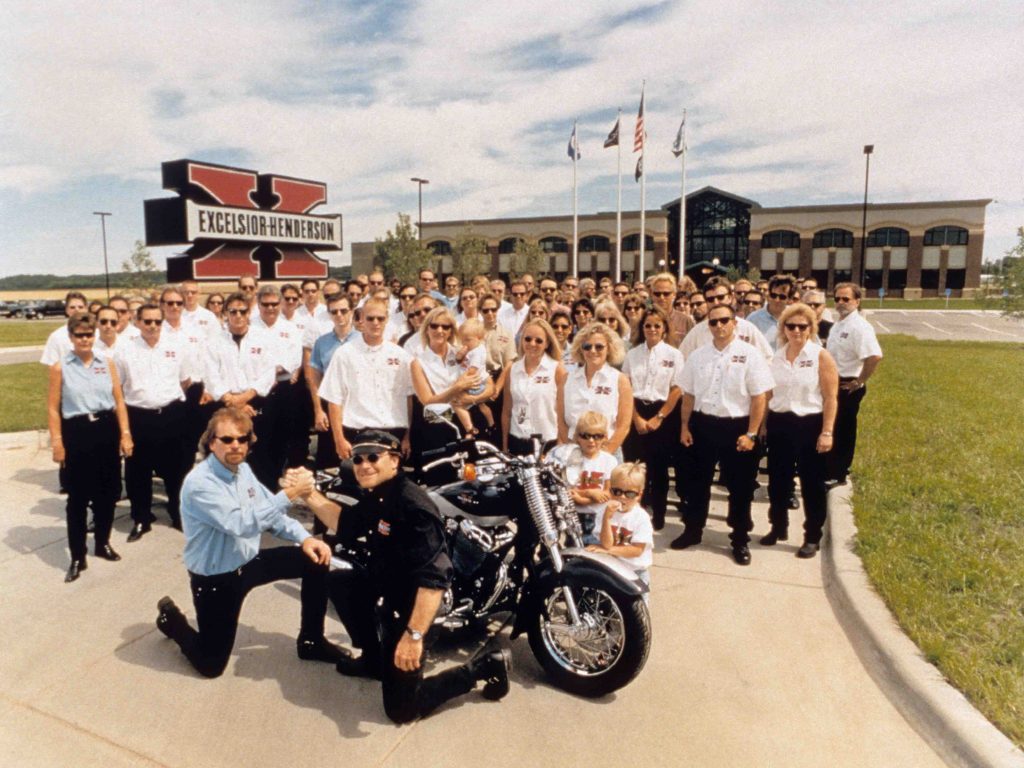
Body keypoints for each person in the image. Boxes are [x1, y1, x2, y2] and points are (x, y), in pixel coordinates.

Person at [289, 431, 512, 722]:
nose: (364, 464)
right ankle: (373, 661)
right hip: (389, 589)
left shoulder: (412, 506)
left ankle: (483, 668)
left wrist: (413, 636)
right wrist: (307, 494)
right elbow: (345, 522)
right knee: (342, 580)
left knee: (402, 710)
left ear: (394, 461)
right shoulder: (382, 494)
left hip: (415, 608)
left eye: (373, 457)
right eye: (358, 458)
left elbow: (434, 579)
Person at [154, 408, 344, 678]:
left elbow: (271, 514)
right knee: (211, 666)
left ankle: (311, 641)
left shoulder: (242, 470)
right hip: (217, 579)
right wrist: (290, 493)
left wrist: (306, 538)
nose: (236, 446)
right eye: (227, 439)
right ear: (211, 443)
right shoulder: (200, 483)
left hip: (249, 563)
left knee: (316, 558)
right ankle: (173, 621)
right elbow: (240, 524)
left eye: (242, 439)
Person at [671, 304, 774, 565]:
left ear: (735, 323)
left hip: (737, 426)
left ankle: (739, 539)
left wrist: (751, 433)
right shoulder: (698, 356)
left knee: (739, 488)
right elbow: (689, 395)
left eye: (724, 321)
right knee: (697, 484)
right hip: (702, 425)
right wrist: (684, 426)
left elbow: (759, 397)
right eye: (713, 322)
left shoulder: (750, 354)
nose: (719, 326)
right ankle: (693, 530)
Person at [47, 315, 133, 582]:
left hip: (105, 430)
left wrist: (125, 434)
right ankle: (77, 555)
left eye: (88, 334)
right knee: (78, 498)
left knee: (107, 493)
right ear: (71, 337)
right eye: (79, 335)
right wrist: (58, 442)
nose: (84, 339)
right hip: (77, 433)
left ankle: (102, 543)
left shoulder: (106, 363)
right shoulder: (60, 367)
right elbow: (52, 407)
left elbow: (119, 401)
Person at [763, 303, 838, 558]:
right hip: (780, 424)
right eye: (791, 326)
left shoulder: (820, 356)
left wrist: (827, 432)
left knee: (812, 484)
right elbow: (769, 394)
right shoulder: (776, 357)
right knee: (778, 482)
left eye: (802, 326)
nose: (796, 330)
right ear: (783, 328)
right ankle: (778, 527)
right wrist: (763, 425)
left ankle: (812, 536)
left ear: (811, 328)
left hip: (810, 424)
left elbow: (830, 398)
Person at [114, 303, 192, 541]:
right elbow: (117, 388)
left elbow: (185, 381)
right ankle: (141, 518)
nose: (152, 326)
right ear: (137, 322)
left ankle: (178, 515)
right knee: (138, 472)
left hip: (171, 415)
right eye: (147, 321)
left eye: (157, 322)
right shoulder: (125, 351)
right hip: (139, 417)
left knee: (177, 471)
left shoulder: (176, 347)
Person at [319, 297, 415, 460]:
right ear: (361, 319)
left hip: (394, 434)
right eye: (370, 318)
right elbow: (335, 400)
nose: (375, 322)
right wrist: (339, 439)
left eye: (380, 318)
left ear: (387, 320)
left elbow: (408, 398)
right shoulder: (345, 354)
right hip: (357, 435)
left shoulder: (401, 355)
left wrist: (407, 436)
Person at [203, 293, 278, 489]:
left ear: (248, 313)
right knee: (227, 456)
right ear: (225, 313)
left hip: (256, 404)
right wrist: (234, 402)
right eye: (233, 311)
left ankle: (264, 504)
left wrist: (245, 398)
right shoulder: (214, 341)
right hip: (225, 405)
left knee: (262, 458)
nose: (238, 315)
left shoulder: (263, 339)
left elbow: (268, 373)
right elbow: (211, 375)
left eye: (242, 311)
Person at [622, 306, 683, 530]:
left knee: (658, 469)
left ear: (665, 329)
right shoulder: (632, 354)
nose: (652, 329)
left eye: (657, 325)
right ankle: (633, 512)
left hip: (662, 414)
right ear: (642, 328)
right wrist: (636, 418)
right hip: (636, 411)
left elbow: (677, 389)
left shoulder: (674, 355)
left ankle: (658, 513)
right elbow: (626, 387)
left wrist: (659, 417)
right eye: (648, 325)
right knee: (633, 468)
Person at [410, 307, 490, 473]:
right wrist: (456, 389)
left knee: (477, 475)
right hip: (439, 424)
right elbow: (427, 401)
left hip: (469, 420)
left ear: (451, 330)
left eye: (446, 327)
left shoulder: (463, 353)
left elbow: (491, 386)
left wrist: (472, 399)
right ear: (426, 328)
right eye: (434, 326)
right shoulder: (418, 362)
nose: (440, 330)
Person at [825, 283, 883, 486]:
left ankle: (839, 474)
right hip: (832, 384)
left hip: (847, 385)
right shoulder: (839, 324)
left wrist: (859, 381)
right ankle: (830, 469)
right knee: (832, 427)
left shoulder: (860, 327)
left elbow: (874, 356)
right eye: (837, 299)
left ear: (857, 302)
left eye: (846, 299)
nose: (840, 303)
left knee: (843, 430)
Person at [562, 322, 633, 456]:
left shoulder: (620, 380)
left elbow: (623, 426)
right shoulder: (566, 379)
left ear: (609, 349)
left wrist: (602, 458)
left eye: (599, 347)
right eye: (587, 346)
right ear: (580, 349)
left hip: (608, 453)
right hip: (573, 453)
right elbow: (561, 422)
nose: (593, 351)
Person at [501, 318, 566, 456]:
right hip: (517, 441)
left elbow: (563, 412)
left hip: (548, 444)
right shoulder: (512, 369)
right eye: (528, 339)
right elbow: (507, 411)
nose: (532, 344)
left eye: (539, 341)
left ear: (547, 343)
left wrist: (561, 445)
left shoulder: (557, 369)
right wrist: (505, 446)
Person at [306, 294, 358, 468]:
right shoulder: (322, 343)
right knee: (329, 464)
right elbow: (315, 380)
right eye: (334, 312)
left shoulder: (363, 340)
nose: (339, 315)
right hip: (331, 407)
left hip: (357, 408)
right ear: (329, 314)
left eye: (344, 310)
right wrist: (318, 410)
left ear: (351, 311)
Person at [550, 411, 617, 544]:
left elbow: (609, 491)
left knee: (595, 550)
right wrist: (590, 493)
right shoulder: (571, 459)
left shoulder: (609, 461)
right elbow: (568, 491)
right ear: (577, 437)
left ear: (605, 437)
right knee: (573, 546)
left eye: (597, 436)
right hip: (573, 515)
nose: (591, 441)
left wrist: (582, 497)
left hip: (598, 516)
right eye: (586, 436)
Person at [588, 462, 654, 589]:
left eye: (629, 494)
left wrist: (608, 550)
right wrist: (607, 518)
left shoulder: (641, 517)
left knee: (637, 607)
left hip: (636, 572)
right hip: (613, 569)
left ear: (639, 495)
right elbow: (606, 543)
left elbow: (637, 550)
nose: (622, 497)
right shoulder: (604, 511)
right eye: (617, 491)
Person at [452, 318, 493, 435]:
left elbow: (472, 370)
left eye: (468, 340)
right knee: (481, 405)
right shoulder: (472, 349)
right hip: (475, 382)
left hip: (474, 383)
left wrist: (458, 383)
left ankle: (469, 428)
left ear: (479, 338)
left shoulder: (478, 352)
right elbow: (461, 362)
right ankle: (491, 423)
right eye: (462, 340)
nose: (464, 343)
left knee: (458, 405)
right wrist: (459, 357)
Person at [747, 274, 798, 349]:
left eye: (782, 297)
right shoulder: (753, 319)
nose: (776, 300)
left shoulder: (797, 317)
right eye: (773, 295)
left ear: (789, 299)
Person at [39, 291, 88, 367]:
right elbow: (53, 367)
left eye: (80, 307)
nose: (77, 310)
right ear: (66, 310)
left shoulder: (96, 334)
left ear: (86, 309)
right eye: (72, 307)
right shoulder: (56, 336)